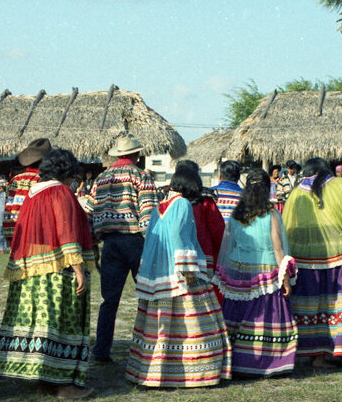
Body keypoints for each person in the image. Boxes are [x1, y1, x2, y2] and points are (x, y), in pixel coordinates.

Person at [0, 149, 96, 399]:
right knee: (59, 321)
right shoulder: (60, 191)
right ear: (67, 173)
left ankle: (43, 380)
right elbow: (66, 230)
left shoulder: (33, 192)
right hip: (57, 271)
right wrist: (78, 269)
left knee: (41, 324)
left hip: (32, 270)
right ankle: (63, 384)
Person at [126, 166, 232, 387]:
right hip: (179, 270)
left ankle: (154, 373)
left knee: (161, 322)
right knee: (194, 321)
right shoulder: (182, 203)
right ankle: (194, 373)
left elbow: (152, 238)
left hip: (161, 273)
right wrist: (186, 268)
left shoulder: (159, 207)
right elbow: (176, 234)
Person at [283, 157, 342, 367]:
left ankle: (315, 355)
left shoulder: (295, 194)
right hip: (339, 255)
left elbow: (287, 228)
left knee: (312, 304)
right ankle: (337, 350)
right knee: (336, 302)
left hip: (304, 259)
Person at [216, 168, 297, 377]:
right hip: (266, 270)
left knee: (238, 315)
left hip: (238, 269)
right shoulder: (270, 214)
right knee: (263, 316)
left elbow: (228, 242)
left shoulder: (237, 214)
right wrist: (285, 276)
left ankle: (234, 361)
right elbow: (278, 248)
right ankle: (263, 362)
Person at [87, 134, 158, 363]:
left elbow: (90, 211)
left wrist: (93, 243)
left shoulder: (102, 177)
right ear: (136, 154)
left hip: (110, 243)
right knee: (148, 296)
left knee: (109, 300)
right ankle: (151, 348)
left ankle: (101, 350)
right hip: (136, 241)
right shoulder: (140, 176)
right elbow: (148, 214)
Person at [177, 165, 225, 304]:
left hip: (177, 257)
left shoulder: (170, 201)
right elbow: (218, 231)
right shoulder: (205, 201)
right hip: (203, 255)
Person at [3, 138, 51, 242]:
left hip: (14, 234)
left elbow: (7, 205)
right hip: (34, 237)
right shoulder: (43, 181)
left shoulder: (15, 180)